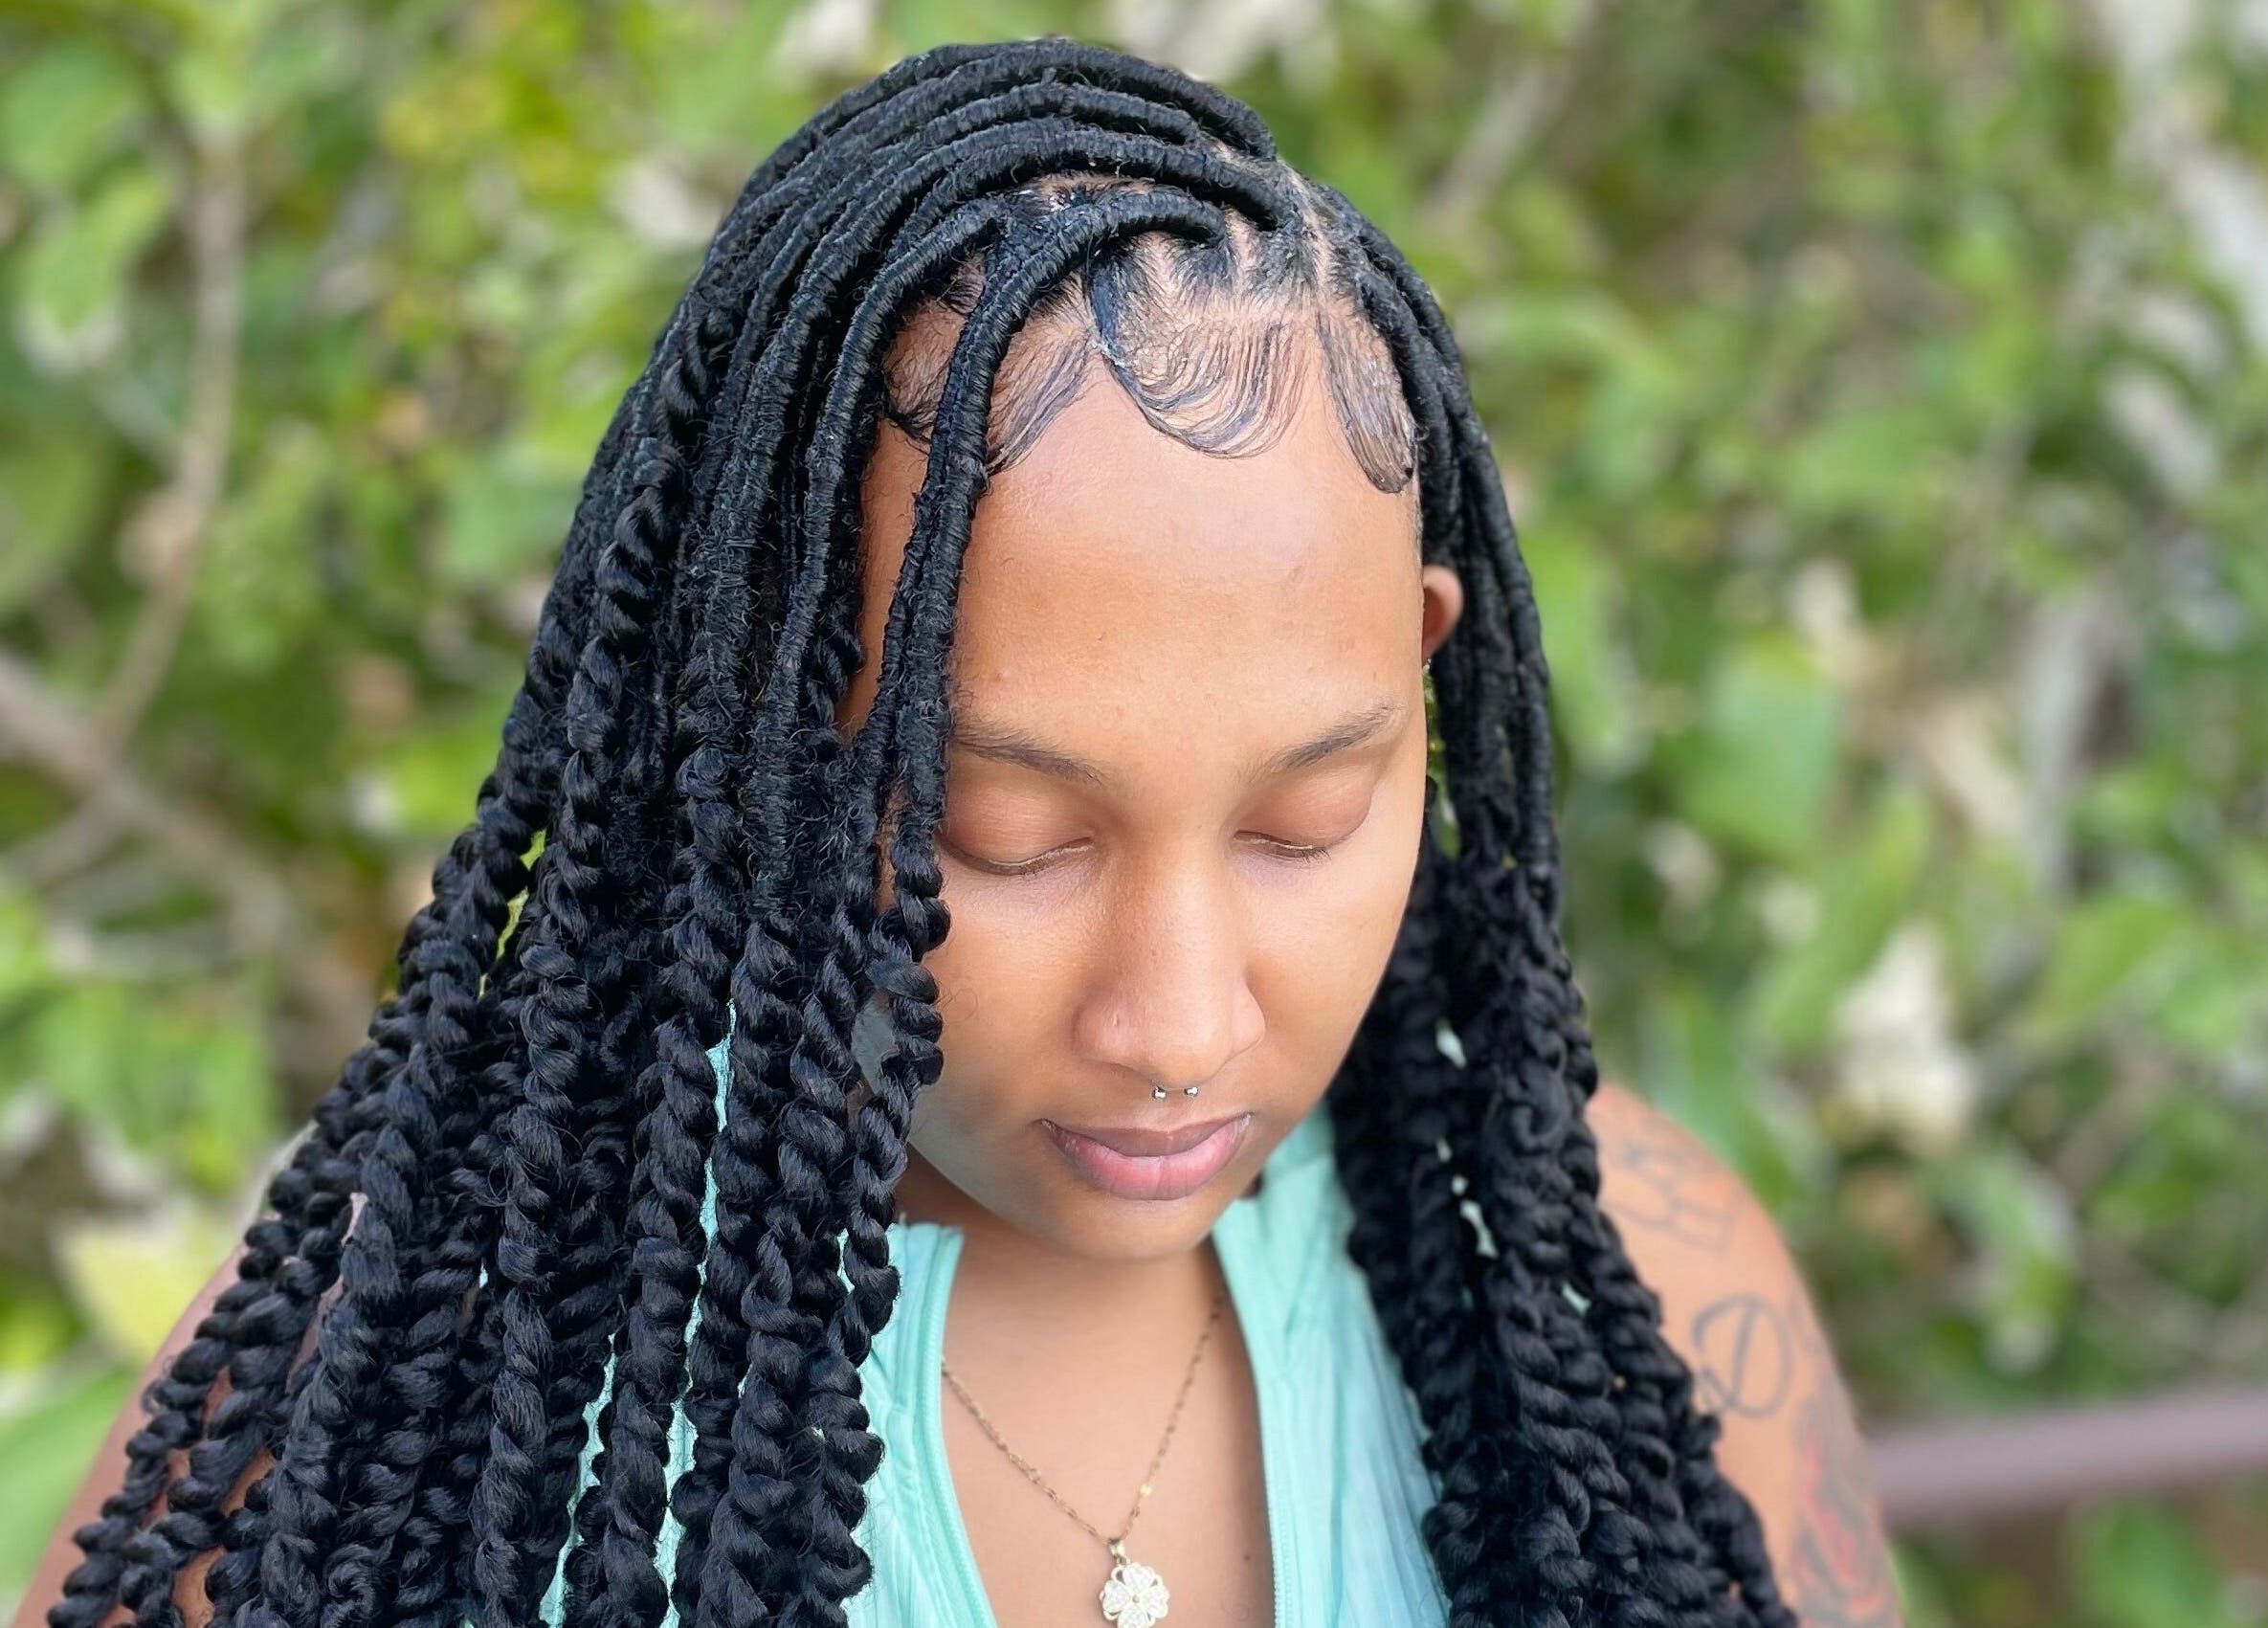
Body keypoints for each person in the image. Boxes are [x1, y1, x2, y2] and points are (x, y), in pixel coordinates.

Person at [20, 35, 1900, 1628]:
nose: (1178, 1023)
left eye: (1306, 821)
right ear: (757, 736)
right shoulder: (381, 1407)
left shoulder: (1628, 1298)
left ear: (1423, 684)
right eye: (1009, 838)